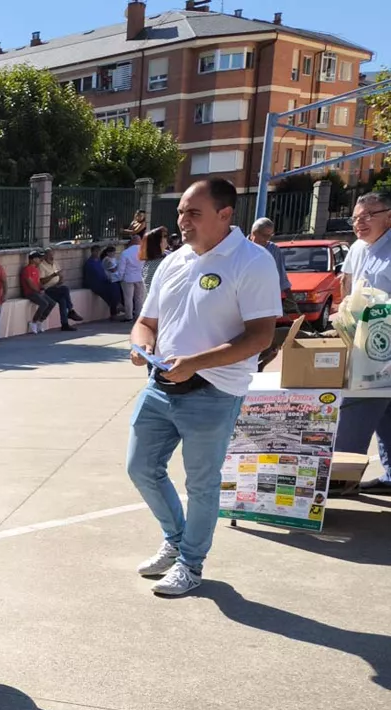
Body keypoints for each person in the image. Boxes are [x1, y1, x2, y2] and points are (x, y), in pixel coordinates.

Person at [127, 177, 281, 597]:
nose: (182, 221)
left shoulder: (251, 261)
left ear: (225, 214)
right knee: (140, 467)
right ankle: (176, 541)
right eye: (180, 212)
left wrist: (196, 363)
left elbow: (260, 336)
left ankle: (190, 564)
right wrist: (141, 346)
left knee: (201, 484)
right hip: (160, 386)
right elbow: (147, 322)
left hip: (214, 391)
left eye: (193, 213)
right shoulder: (174, 261)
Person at [333, 190, 391, 494]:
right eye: (356, 217)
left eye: (369, 215)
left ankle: (338, 477)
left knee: (360, 403)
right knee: (386, 414)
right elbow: (347, 285)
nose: (360, 222)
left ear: (389, 215)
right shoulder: (357, 248)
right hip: (362, 343)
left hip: (384, 346)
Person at [37, 248, 83, 331]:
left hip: (56, 287)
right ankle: (71, 310)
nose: (52, 257)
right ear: (45, 256)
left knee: (63, 300)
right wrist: (53, 275)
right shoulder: (42, 265)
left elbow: (59, 276)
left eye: (52, 255)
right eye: (50, 255)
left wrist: (60, 278)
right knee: (65, 289)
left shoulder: (55, 264)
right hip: (47, 289)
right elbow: (42, 281)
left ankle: (64, 324)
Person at [248, 217, 291, 296]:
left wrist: (289, 298)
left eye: (270, 236)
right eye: (264, 235)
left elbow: (281, 276)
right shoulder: (241, 248)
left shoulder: (273, 250)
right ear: (254, 233)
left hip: (266, 296)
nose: (266, 239)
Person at [84, 246, 125, 321]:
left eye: (98, 251)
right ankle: (116, 308)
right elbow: (91, 276)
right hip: (96, 284)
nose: (97, 253)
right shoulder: (89, 263)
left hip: (104, 281)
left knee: (115, 287)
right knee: (111, 290)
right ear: (92, 252)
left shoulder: (99, 261)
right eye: (96, 251)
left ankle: (117, 307)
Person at [20, 252, 56, 334]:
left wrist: (41, 288)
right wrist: (38, 290)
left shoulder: (36, 269)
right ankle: (34, 322)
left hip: (37, 292)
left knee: (52, 303)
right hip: (30, 293)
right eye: (38, 258)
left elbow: (38, 282)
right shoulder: (27, 269)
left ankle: (40, 320)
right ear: (33, 259)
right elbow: (30, 283)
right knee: (44, 303)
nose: (40, 260)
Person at [118, 233, 147, 319]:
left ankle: (128, 316)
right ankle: (138, 315)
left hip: (128, 278)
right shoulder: (144, 251)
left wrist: (120, 277)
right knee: (139, 298)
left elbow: (121, 268)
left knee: (128, 299)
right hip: (140, 277)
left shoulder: (125, 253)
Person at [141, 227, 171, 294]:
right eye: (164, 236)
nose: (167, 238)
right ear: (157, 242)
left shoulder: (168, 254)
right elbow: (150, 288)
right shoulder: (153, 264)